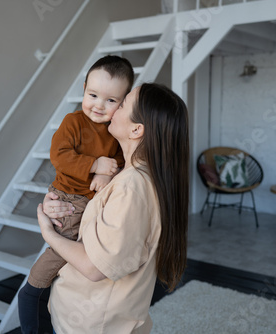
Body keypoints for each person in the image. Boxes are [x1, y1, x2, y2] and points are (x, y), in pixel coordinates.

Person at [37, 82, 189, 333]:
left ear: (137, 129)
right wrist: (59, 208)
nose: (114, 107)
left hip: (92, 325)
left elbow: (95, 267)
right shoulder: (129, 176)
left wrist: (49, 234)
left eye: (123, 103)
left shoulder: (132, 186)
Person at [18, 55, 134, 333]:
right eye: (92, 95)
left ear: (123, 101)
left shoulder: (116, 132)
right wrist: (95, 165)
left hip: (90, 202)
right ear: (83, 88)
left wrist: (107, 172)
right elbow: (59, 156)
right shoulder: (73, 122)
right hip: (69, 199)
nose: (98, 105)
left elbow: (119, 161)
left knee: (80, 253)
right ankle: (33, 289)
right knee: (63, 245)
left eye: (111, 100)